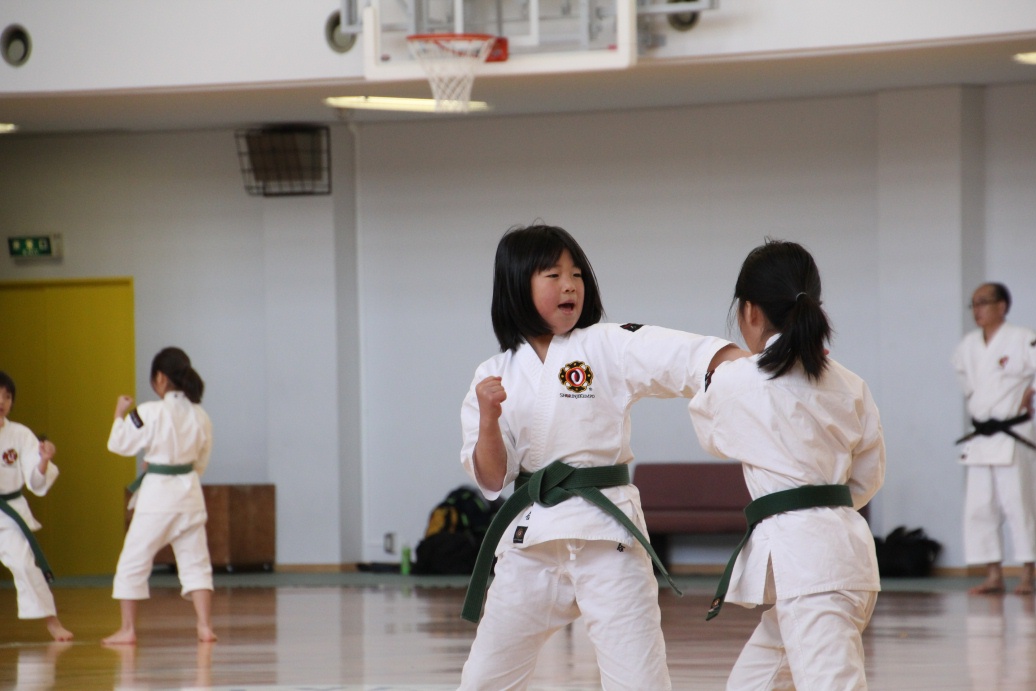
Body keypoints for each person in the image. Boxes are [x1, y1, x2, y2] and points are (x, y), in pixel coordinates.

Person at [458, 223, 742, 690]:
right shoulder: (493, 373)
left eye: (576, 274)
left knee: (639, 681)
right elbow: (492, 479)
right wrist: (489, 417)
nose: (570, 285)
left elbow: (687, 356)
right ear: (516, 286)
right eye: (553, 275)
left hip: (607, 537)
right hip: (531, 544)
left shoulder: (607, 344)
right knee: (483, 680)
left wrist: (761, 366)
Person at [687, 239, 885, 690]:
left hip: (810, 572)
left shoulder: (739, 379)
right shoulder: (850, 383)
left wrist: (734, 365)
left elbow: (711, 434)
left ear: (750, 312)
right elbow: (867, 477)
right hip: (843, 558)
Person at [103, 347, 217, 645]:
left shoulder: (148, 412)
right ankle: (204, 626)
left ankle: (128, 629)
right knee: (196, 563)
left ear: (160, 378)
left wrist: (118, 413)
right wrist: (171, 464)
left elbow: (119, 443)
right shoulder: (201, 415)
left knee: (133, 562)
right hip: (190, 496)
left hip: (157, 500)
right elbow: (200, 462)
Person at [952, 282, 1036, 596]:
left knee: (1019, 504)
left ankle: (1028, 573)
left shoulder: (1022, 338)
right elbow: (966, 383)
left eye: (983, 302)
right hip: (982, 437)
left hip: (1013, 435)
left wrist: (1032, 390)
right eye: (974, 304)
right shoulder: (968, 346)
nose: (977, 310)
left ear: (1002, 306)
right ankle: (993, 574)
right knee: (979, 507)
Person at [0, 371, 74, 642]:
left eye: (7, 396)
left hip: (8, 513)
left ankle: (52, 622)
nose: (2, 401)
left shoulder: (20, 435)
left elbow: (35, 479)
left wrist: (43, 460)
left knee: (24, 563)